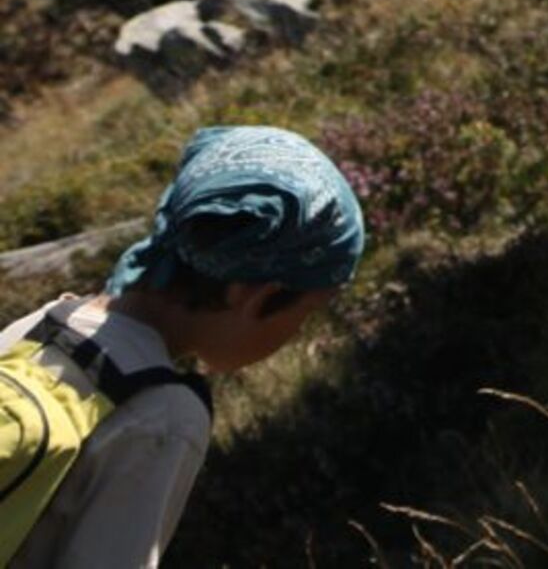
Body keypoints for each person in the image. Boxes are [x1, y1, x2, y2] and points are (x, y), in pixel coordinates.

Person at [2, 126, 365, 568]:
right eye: (307, 311)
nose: (298, 333)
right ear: (248, 293)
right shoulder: (166, 415)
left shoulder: (46, 320)